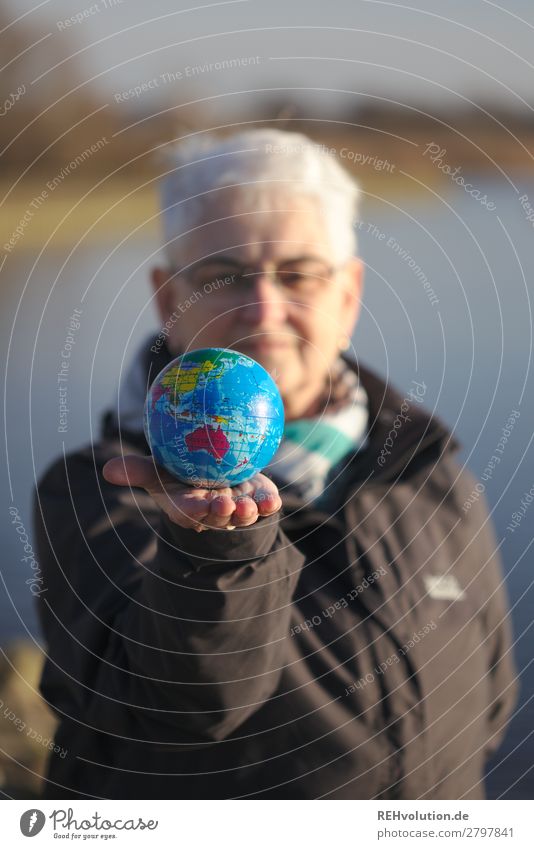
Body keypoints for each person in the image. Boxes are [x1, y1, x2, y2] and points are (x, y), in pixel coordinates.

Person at [34, 129, 518, 800]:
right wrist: (213, 551)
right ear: (167, 298)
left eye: (297, 273)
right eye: (221, 277)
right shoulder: (96, 492)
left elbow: (490, 707)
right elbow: (176, 707)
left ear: (347, 295)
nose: (263, 307)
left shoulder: (428, 474)